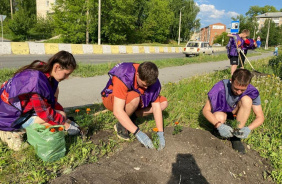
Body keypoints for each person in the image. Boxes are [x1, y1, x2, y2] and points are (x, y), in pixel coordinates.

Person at [0, 51, 81, 151]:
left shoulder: (45, 72)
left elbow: (51, 100)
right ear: (57, 67)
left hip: (12, 109)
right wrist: (66, 125)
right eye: (66, 74)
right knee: (54, 120)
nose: (67, 77)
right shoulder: (36, 83)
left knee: (60, 113)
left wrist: (64, 118)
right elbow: (45, 113)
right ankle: (10, 133)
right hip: (7, 117)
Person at [101, 62, 168, 150]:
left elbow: (156, 106)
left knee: (163, 103)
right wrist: (138, 133)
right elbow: (118, 110)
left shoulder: (152, 81)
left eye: (149, 85)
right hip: (113, 99)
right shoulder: (124, 75)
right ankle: (121, 124)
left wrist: (160, 133)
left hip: (133, 98)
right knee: (134, 98)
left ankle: (130, 118)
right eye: (144, 85)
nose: (146, 88)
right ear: (137, 75)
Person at [202, 69, 264, 154]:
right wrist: (218, 125)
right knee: (219, 117)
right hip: (221, 110)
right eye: (236, 88)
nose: (238, 92)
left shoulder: (252, 91)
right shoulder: (219, 87)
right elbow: (205, 110)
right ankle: (219, 128)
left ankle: (236, 136)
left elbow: (260, 117)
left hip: (235, 112)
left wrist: (248, 129)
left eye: (242, 90)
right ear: (231, 81)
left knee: (247, 100)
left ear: (248, 85)